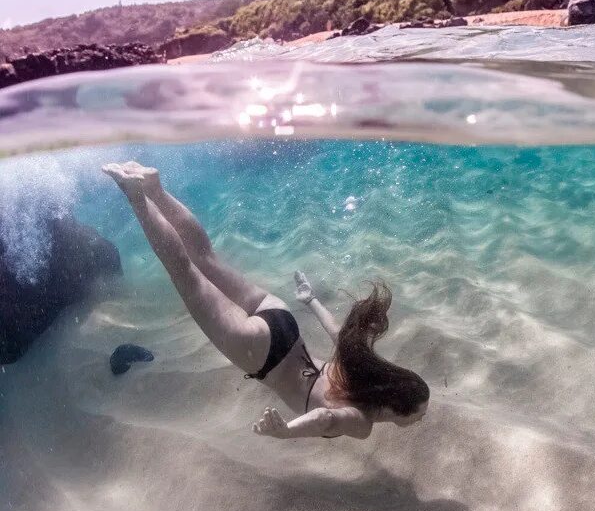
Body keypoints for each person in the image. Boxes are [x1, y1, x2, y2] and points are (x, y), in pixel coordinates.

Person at [101, 161, 429, 440]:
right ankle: (137, 196)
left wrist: (310, 300)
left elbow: (340, 335)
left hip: (283, 321)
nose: (418, 420)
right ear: (397, 407)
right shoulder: (363, 423)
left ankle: (155, 187)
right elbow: (325, 420)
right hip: (259, 353)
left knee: (205, 258)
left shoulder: (363, 373)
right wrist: (287, 431)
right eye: (418, 415)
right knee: (183, 271)